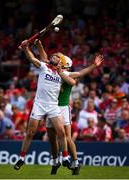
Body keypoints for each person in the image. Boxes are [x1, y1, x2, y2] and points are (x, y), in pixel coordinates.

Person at [35, 40, 104, 175]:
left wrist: (94, 65)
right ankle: (55, 161)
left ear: (64, 64)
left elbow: (80, 73)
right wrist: (39, 45)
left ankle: (75, 161)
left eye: (60, 59)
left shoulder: (67, 74)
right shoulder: (51, 69)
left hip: (62, 108)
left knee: (67, 137)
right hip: (50, 107)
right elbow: (44, 58)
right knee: (51, 138)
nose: (56, 60)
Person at [14, 40, 76, 171]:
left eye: (57, 57)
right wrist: (26, 48)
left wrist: (61, 72)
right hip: (39, 104)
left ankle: (65, 158)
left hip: (53, 106)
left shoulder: (63, 73)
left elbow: (73, 81)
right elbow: (33, 58)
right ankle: (21, 158)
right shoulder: (43, 66)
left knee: (61, 133)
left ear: (61, 63)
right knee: (30, 132)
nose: (54, 57)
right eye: (53, 56)